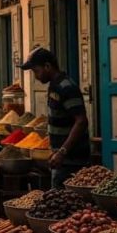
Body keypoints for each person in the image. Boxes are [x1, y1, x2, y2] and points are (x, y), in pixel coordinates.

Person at [20, 47, 91, 188]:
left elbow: (81, 121)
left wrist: (62, 151)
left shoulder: (66, 87)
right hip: (60, 158)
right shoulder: (54, 86)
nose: (36, 76)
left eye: (36, 71)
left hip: (72, 160)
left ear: (47, 66)